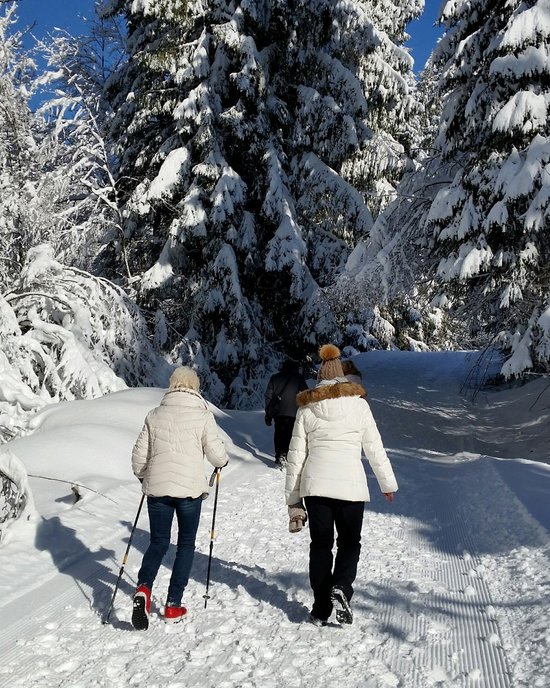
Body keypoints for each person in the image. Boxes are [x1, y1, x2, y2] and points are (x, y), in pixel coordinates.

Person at [285, 344, 398, 626]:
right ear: (344, 378)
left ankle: (321, 607)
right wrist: (387, 483)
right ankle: (342, 587)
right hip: (351, 488)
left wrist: (293, 499)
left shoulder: (307, 409)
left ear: (320, 377)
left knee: (320, 545)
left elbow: (295, 457)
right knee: (350, 543)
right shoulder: (359, 406)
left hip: (316, 489)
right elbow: (374, 447)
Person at [131, 366, 228, 630]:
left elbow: (139, 458)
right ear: (194, 388)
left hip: (158, 492)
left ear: (172, 386)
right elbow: (218, 456)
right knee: (185, 545)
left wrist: (145, 477)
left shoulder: (154, 415)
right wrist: (223, 461)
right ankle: (173, 604)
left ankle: (144, 589)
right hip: (189, 493)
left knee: (158, 542)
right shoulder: (202, 415)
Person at [264, 359, 309, 468]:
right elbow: (305, 393)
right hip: (293, 411)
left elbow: (268, 396)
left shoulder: (275, 377)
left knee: (279, 433)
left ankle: (279, 455)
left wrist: (268, 412)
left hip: (278, 411)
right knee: (289, 433)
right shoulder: (298, 378)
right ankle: (287, 455)